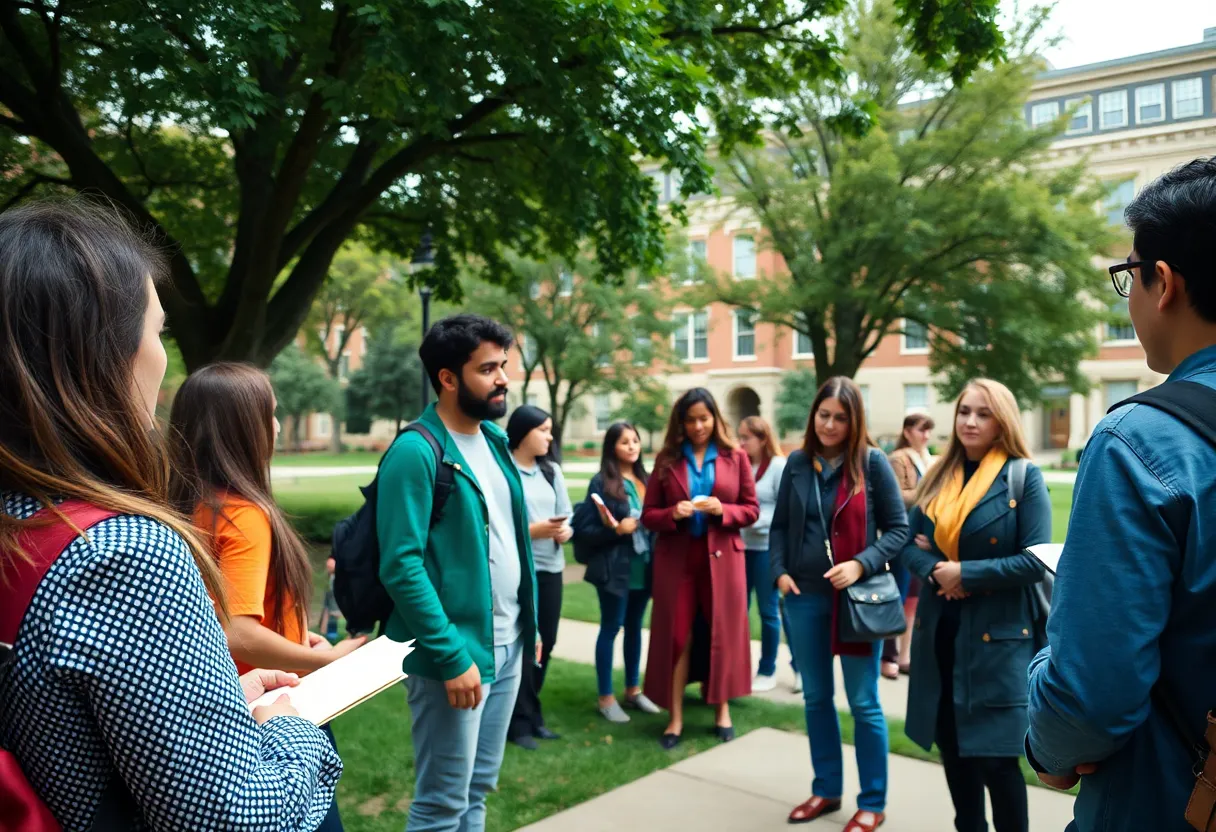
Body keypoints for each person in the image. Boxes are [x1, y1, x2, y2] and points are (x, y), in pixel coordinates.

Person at [0, 200, 340, 829]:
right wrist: (296, 729)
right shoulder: (119, 554)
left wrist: (216, 710)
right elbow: (242, 820)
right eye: (157, 331)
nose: (162, 360)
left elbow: (76, 734)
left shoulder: (21, 524)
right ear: (99, 354)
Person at [1027, 158, 1216, 831]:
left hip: (1162, 803)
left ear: (1162, 282)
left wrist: (1044, 740)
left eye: (1128, 275)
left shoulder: (1139, 440)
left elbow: (1088, 699)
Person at [168, 362, 368, 832]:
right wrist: (325, 660)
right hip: (275, 712)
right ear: (242, 428)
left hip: (218, 712)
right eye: (270, 414)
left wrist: (302, 638)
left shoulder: (184, 507)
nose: (277, 426)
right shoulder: (244, 515)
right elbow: (237, 632)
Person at [377, 314, 539, 832]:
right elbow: (400, 566)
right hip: (453, 656)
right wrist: (450, 656)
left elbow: (510, 539)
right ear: (448, 378)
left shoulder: (493, 442)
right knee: (442, 803)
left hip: (507, 646)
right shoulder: (415, 451)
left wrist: (526, 625)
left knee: (477, 791)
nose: (503, 379)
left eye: (504, 366)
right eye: (487, 368)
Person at [902, 379, 1050, 832]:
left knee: (998, 765)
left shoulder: (1023, 477)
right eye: (964, 411)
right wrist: (936, 570)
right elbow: (908, 546)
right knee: (955, 758)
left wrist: (964, 573)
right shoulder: (938, 475)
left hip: (997, 640)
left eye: (982, 413)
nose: (969, 421)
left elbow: (1035, 559)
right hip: (941, 635)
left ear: (1001, 420)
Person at [770, 377, 908, 832]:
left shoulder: (872, 464)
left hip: (856, 602)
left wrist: (861, 564)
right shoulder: (796, 464)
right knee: (815, 698)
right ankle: (826, 789)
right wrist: (779, 571)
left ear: (854, 421)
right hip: (804, 598)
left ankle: (872, 801)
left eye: (840, 417)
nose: (829, 424)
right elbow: (778, 528)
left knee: (864, 702)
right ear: (814, 415)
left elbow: (897, 530)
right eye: (823, 414)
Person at [641, 388, 758, 749]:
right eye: (690, 420)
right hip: (678, 560)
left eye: (703, 419)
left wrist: (723, 510)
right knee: (678, 636)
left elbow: (751, 509)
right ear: (681, 422)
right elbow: (648, 516)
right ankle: (674, 718)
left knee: (721, 632)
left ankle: (721, 709)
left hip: (723, 558)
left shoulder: (734, 457)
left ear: (715, 419)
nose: (697, 426)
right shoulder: (666, 459)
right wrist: (672, 514)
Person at [571, 421, 661, 723]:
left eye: (635, 440)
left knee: (636, 627)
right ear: (612, 447)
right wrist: (617, 530)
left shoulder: (645, 479)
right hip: (615, 567)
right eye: (625, 442)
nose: (632, 446)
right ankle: (606, 697)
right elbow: (584, 528)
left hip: (645, 564)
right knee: (611, 627)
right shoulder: (601, 482)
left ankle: (633, 691)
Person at [505, 405, 573, 750]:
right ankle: (518, 723)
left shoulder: (551, 471)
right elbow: (496, 524)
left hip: (550, 569)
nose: (549, 437)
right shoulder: (504, 471)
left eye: (550, 431)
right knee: (522, 645)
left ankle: (532, 714)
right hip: (517, 571)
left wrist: (564, 532)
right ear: (523, 432)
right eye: (543, 430)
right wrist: (535, 530)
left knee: (547, 641)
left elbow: (568, 516)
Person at [737, 415, 794, 694]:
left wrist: (752, 520)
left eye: (746, 437)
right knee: (739, 612)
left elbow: (786, 513)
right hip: (740, 548)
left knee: (769, 611)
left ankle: (768, 669)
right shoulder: (741, 464)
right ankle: (740, 668)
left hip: (766, 550)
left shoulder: (778, 466)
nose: (741, 442)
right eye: (740, 436)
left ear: (762, 439)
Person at [884, 413, 936, 678]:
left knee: (914, 600)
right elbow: (895, 497)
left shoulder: (928, 458)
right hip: (901, 535)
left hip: (921, 538)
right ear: (907, 431)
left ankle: (905, 656)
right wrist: (931, 491)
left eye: (928, 431)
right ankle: (888, 655)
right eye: (920, 430)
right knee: (897, 595)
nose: (925, 436)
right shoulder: (899, 459)